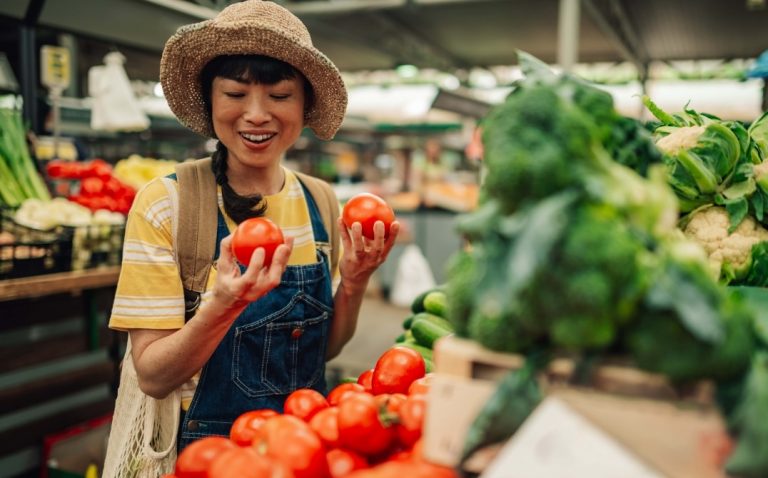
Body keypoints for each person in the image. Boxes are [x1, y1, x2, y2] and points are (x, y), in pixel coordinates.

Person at [107, 0, 399, 451]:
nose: (258, 114)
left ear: (304, 106)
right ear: (210, 100)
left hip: (306, 448)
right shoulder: (168, 204)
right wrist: (221, 305)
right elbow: (153, 375)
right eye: (235, 94)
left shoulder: (320, 202)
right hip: (210, 456)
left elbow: (326, 351)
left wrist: (356, 281)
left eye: (280, 96)